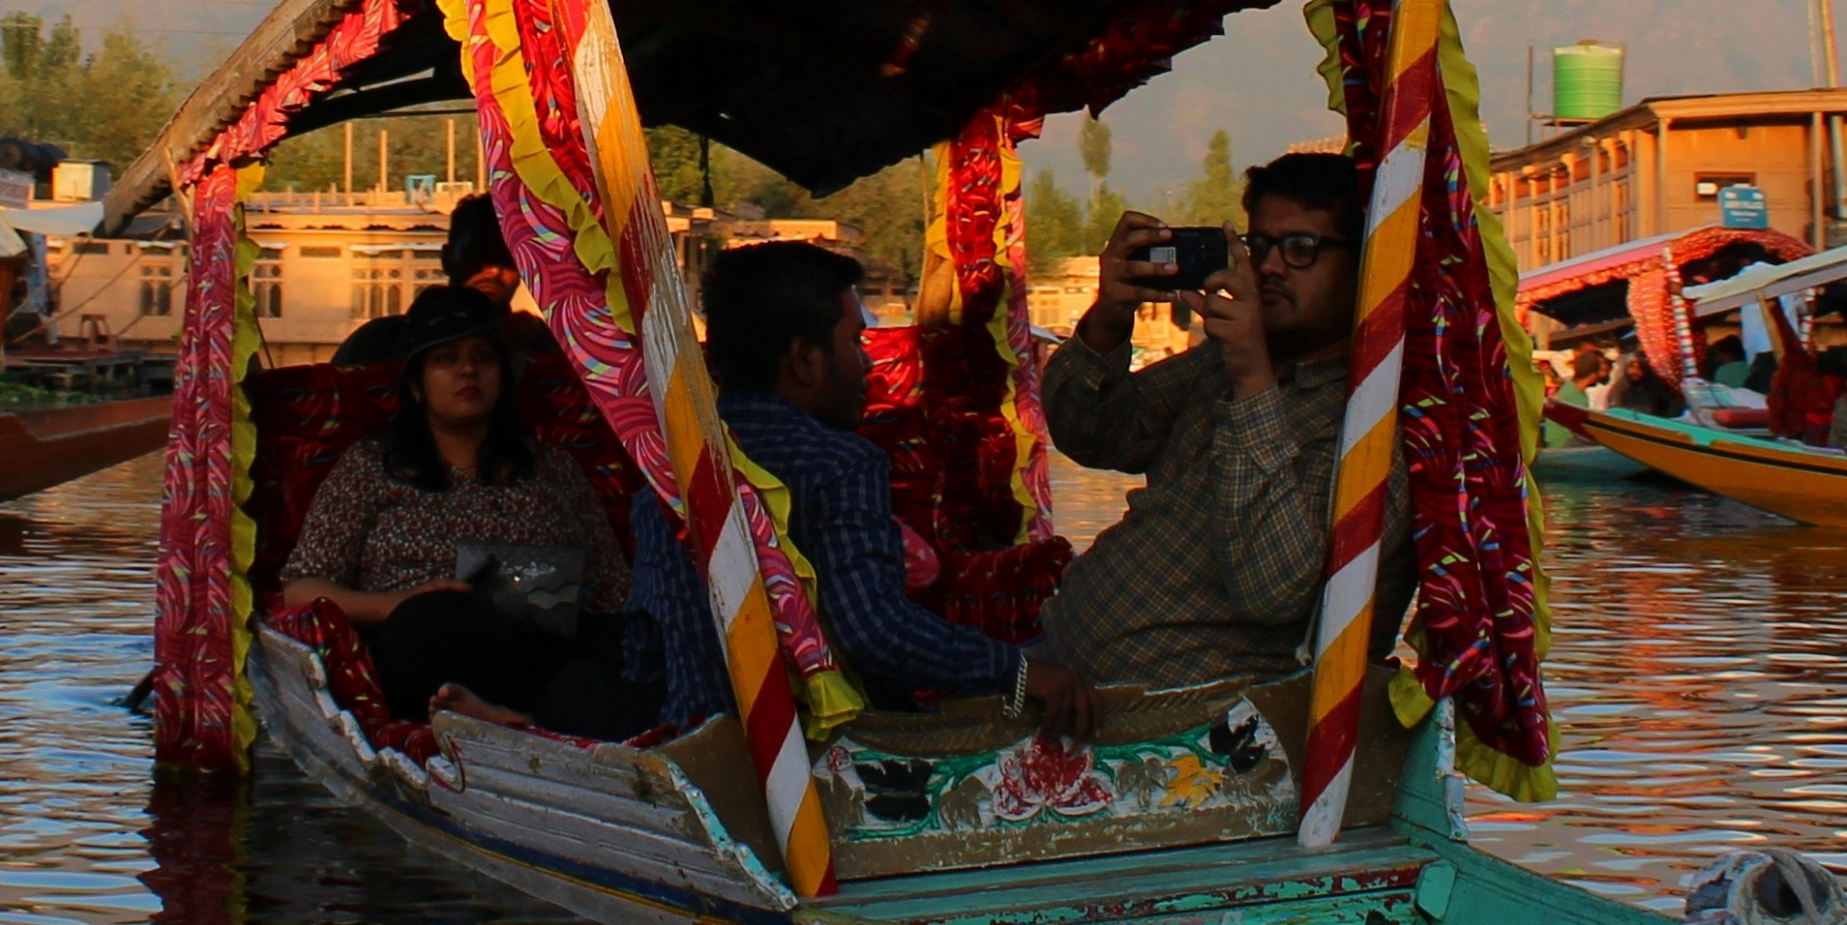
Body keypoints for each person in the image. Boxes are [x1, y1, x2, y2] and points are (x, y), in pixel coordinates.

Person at [704, 240, 1100, 745]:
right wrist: (1020, 672)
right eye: (854, 343)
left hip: (707, 738)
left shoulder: (679, 467)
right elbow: (875, 632)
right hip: (814, 757)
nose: (868, 364)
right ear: (805, 361)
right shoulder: (841, 464)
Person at [1036, 155, 1359, 699]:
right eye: (1258, 248)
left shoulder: (1367, 416)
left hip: (1195, 729)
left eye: (1301, 249)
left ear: (1362, 264)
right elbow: (1092, 436)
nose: (1271, 268)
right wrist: (1109, 318)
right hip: (1070, 677)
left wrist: (1253, 383)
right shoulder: (1218, 364)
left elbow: (1272, 590)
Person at [274, 286, 656, 734]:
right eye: (446, 359)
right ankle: (506, 705)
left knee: (611, 656)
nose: (468, 370)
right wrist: (400, 602)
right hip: (431, 641)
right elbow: (301, 589)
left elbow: (613, 591)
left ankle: (527, 714)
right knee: (435, 620)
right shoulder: (371, 467)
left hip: (545, 645)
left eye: (483, 357)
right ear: (417, 383)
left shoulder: (551, 467)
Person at [338, 195, 524, 366]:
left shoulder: (536, 344)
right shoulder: (379, 343)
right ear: (447, 259)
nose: (493, 271)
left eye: (508, 261)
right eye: (476, 257)